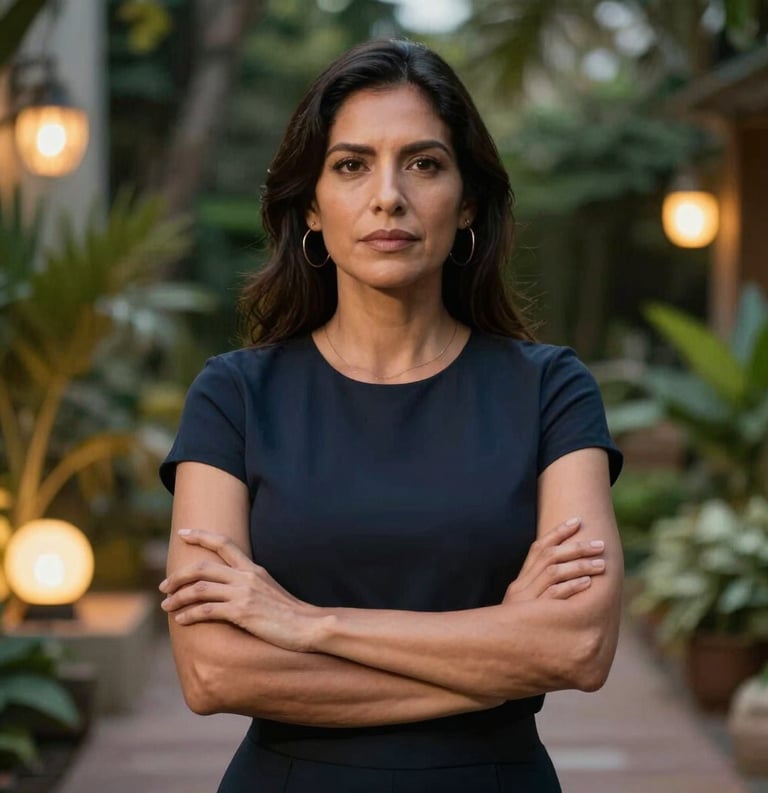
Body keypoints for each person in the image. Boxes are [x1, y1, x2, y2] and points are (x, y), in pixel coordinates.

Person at [158, 38, 623, 793]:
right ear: (310, 206)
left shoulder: (551, 390)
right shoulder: (234, 396)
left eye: (424, 163)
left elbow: (579, 646)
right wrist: (499, 653)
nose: (388, 196)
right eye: (351, 165)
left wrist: (309, 624)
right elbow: (213, 668)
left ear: (467, 199)